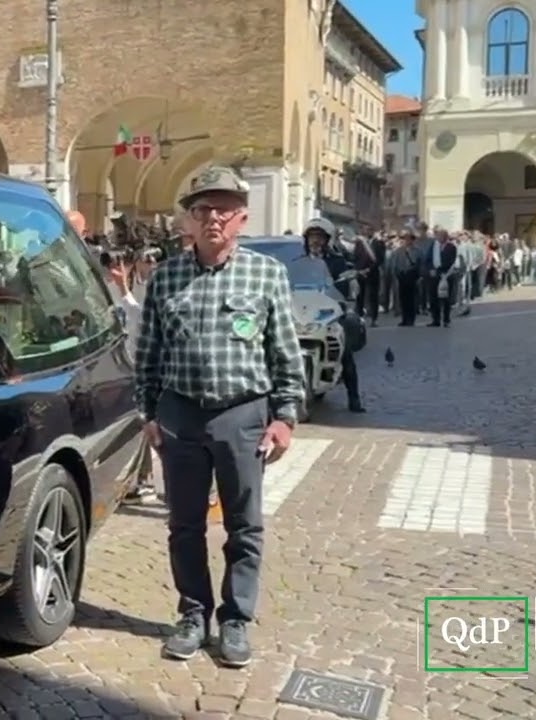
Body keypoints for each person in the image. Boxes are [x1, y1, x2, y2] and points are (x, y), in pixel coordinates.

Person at [135, 165, 304, 668]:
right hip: (180, 417)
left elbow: (285, 353)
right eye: (203, 209)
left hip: (243, 416)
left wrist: (285, 417)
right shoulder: (166, 277)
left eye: (224, 209)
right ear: (189, 218)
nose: (213, 218)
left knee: (243, 525)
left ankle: (235, 619)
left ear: (241, 218)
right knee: (184, 525)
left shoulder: (267, 274)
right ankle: (192, 613)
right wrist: (148, 413)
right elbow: (148, 353)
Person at [300, 219, 366, 413]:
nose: (316, 241)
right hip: (303, 309)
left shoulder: (336, 260)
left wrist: (346, 286)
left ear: (327, 240)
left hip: (328, 310)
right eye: (312, 237)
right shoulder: (300, 261)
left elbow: (344, 282)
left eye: (320, 237)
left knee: (345, 351)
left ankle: (354, 399)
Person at [430, 230, 461, 327]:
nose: (438, 238)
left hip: (447, 275)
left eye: (440, 236)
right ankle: (436, 320)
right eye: (438, 236)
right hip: (435, 275)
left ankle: (446, 319)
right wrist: (431, 269)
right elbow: (429, 259)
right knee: (434, 297)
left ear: (445, 237)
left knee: (446, 298)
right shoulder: (434, 247)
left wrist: (442, 270)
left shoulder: (451, 247)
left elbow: (451, 261)